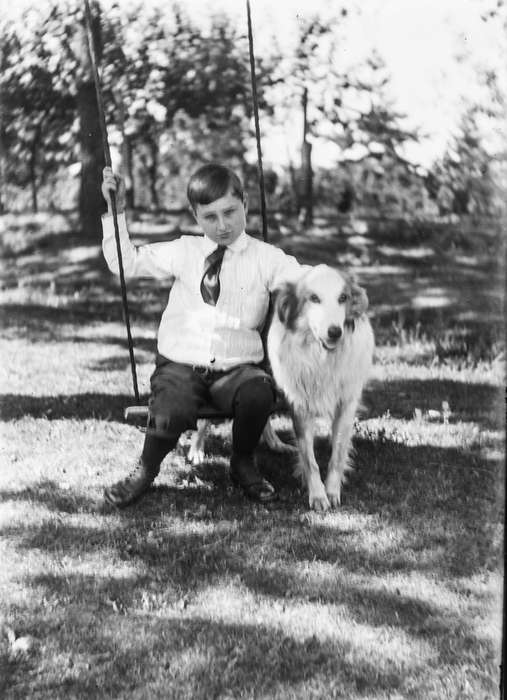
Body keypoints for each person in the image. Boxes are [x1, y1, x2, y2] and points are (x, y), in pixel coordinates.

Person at [101, 163, 304, 508]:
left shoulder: (265, 258)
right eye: (210, 216)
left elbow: (302, 279)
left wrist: (336, 287)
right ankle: (145, 470)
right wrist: (116, 212)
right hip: (181, 365)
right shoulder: (185, 251)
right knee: (172, 405)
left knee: (259, 393)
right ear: (196, 216)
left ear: (246, 205)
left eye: (230, 212)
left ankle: (242, 463)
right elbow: (126, 263)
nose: (222, 225)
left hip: (237, 370)